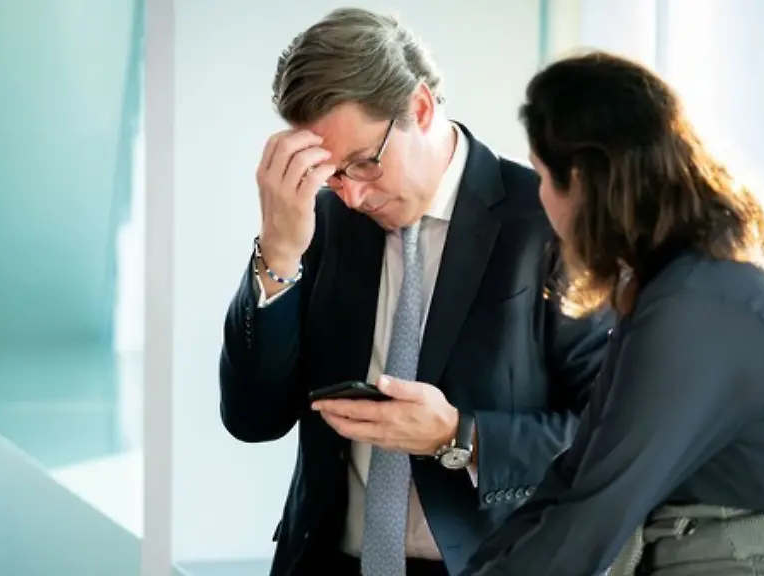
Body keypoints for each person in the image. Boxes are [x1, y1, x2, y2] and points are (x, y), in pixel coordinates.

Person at [217, 8, 613, 576]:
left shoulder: (547, 221)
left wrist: (461, 436)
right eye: (331, 174)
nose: (352, 196)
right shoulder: (319, 221)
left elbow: (607, 432)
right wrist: (277, 253)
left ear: (420, 108)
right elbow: (252, 417)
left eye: (364, 164)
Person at [460, 51, 764, 575]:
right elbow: (573, 478)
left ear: (584, 181)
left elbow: (599, 508)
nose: (540, 196)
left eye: (542, 175)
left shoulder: (700, 305)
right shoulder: (673, 290)